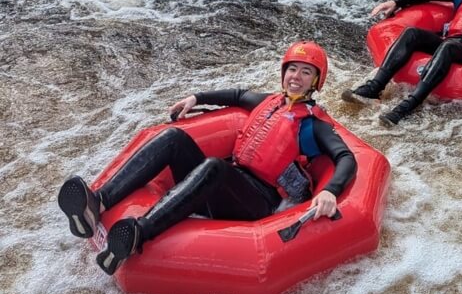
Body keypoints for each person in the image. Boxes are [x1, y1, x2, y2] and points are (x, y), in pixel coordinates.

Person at [57, 41, 356, 275]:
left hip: (256, 202)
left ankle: (138, 233)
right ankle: (99, 201)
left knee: (214, 167)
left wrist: (330, 190)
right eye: (293, 69)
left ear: (316, 81)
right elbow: (237, 95)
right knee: (174, 138)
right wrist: (196, 98)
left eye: (306, 72)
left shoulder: (313, 124)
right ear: (283, 73)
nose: (296, 77)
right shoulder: (267, 102)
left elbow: (345, 157)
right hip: (224, 185)